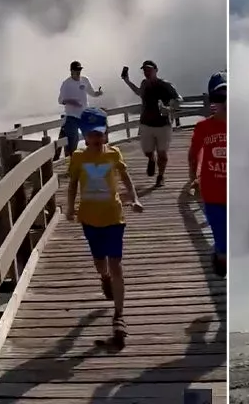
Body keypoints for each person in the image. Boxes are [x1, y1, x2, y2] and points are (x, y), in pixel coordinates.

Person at [64, 107, 143, 347]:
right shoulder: (78, 157)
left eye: (100, 134)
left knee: (116, 264)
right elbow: (72, 184)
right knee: (100, 263)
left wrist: (135, 197)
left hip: (114, 217)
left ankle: (119, 316)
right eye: (91, 135)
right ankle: (104, 277)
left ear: (106, 132)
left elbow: (126, 177)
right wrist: (69, 208)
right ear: (84, 136)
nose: (96, 139)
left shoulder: (114, 154)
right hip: (89, 218)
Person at [120, 60, 181, 187]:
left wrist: (169, 109)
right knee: (147, 151)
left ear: (156, 70)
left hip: (163, 124)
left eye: (149, 69)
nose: (146, 72)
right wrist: (127, 81)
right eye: (144, 70)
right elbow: (138, 92)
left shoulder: (165, 85)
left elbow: (178, 100)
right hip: (146, 123)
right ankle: (151, 159)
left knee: (162, 153)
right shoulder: (144, 84)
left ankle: (160, 176)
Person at [188, 76, 226, 277]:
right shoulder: (203, 127)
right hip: (212, 192)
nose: (225, 102)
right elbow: (193, 155)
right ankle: (219, 257)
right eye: (220, 97)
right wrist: (193, 179)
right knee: (222, 242)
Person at [58, 61, 103, 157]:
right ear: (71, 71)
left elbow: (92, 93)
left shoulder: (85, 80)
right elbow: (60, 100)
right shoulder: (66, 83)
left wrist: (97, 93)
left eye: (80, 69)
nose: (79, 72)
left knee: (90, 138)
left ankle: (92, 160)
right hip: (71, 116)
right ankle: (72, 163)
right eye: (76, 70)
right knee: (73, 140)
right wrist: (71, 101)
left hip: (84, 115)